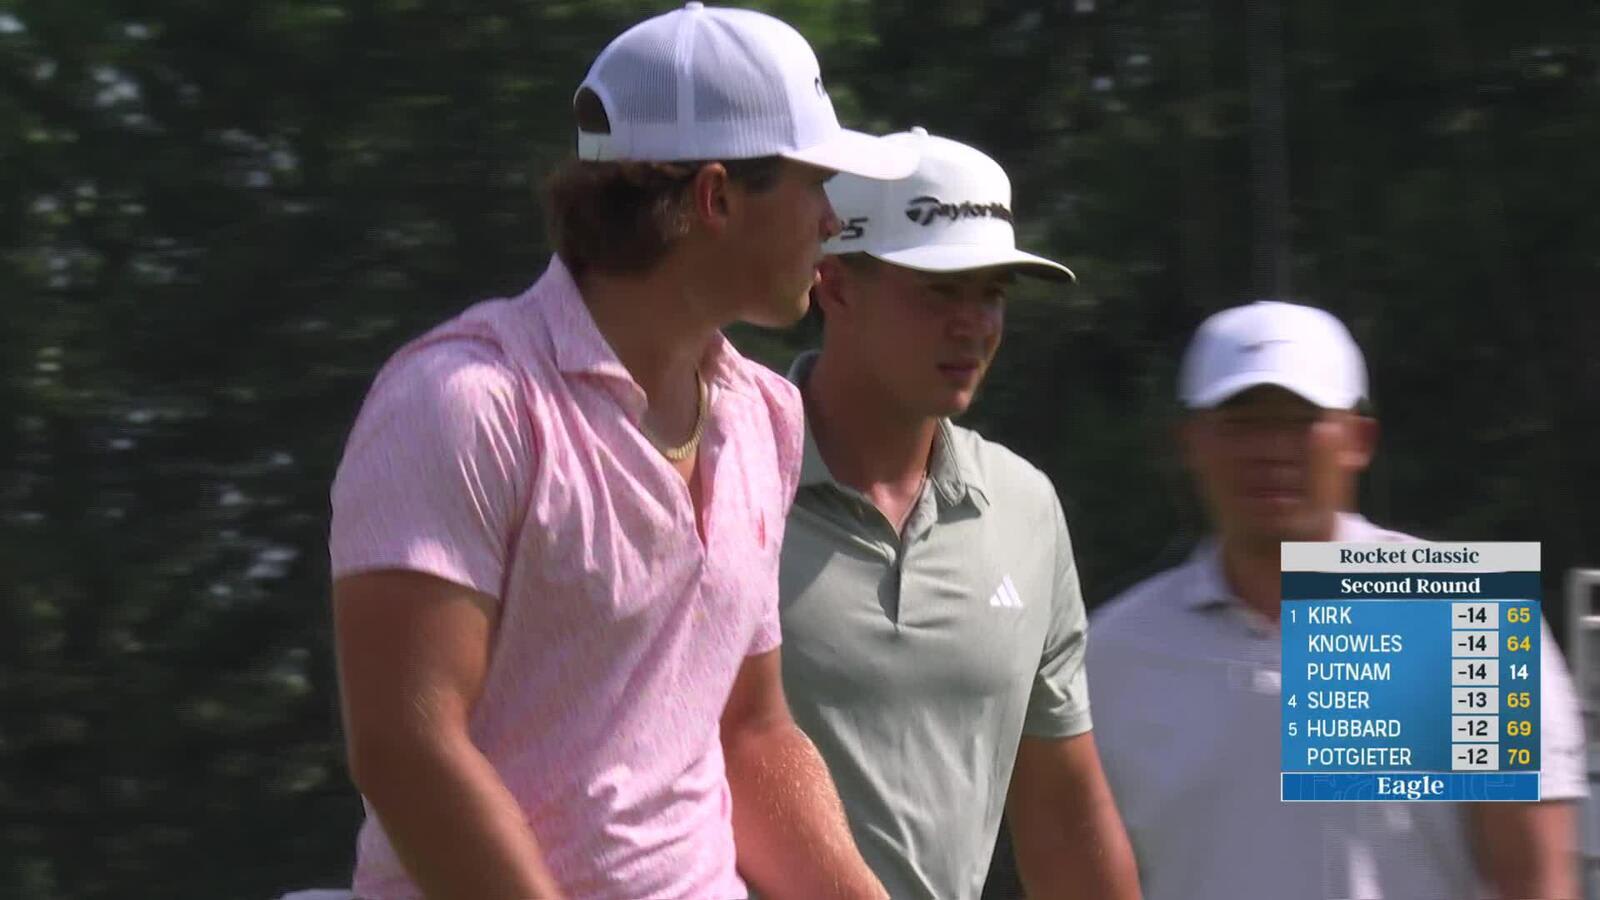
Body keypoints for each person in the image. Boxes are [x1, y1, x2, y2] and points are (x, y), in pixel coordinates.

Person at [327, 4, 918, 898]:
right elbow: (407, 747)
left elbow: (750, 732)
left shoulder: (766, 416)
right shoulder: (461, 403)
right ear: (717, 198)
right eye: (815, 185)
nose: (834, 221)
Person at [1086, 300, 1587, 899]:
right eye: (1241, 423)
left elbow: (1533, 882)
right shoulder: (1114, 653)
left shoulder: (1459, 617)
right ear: (1190, 443)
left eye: (1300, 420)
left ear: (1358, 439)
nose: (1270, 450)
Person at [778, 127, 1142, 900]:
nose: (974, 324)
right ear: (835, 285)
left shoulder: (1025, 506)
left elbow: (1062, 809)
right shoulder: (722, 474)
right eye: (941, 290)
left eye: (992, 294)